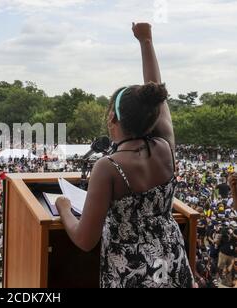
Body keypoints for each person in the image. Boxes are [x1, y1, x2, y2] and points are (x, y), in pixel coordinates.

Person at [56, 23, 194, 288]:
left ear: (112, 118)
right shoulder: (166, 147)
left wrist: (63, 208)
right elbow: (157, 95)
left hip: (131, 271)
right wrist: (146, 41)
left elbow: (86, 240)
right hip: (171, 259)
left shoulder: (108, 167)